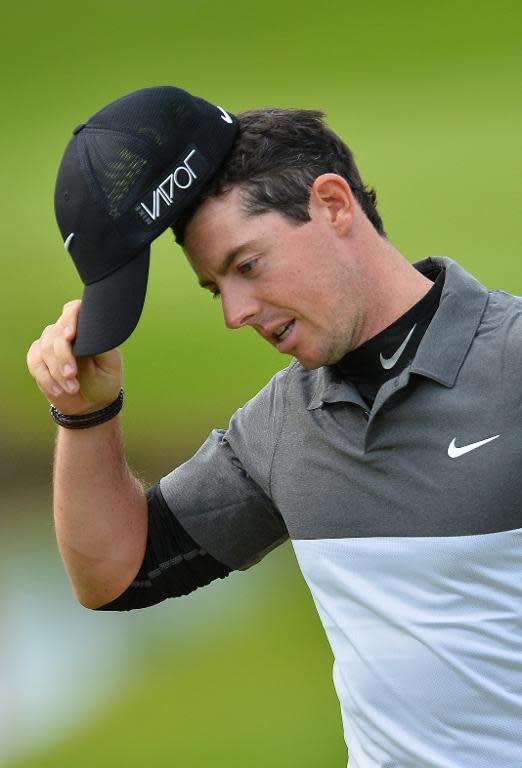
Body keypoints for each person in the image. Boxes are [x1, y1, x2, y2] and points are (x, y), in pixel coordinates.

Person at [27, 86, 522, 768]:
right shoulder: (283, 424)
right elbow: (116, 573)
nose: (235, 312)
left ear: (332, 205)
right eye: (215, 288)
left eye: (247, 266)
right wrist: (85, 415)